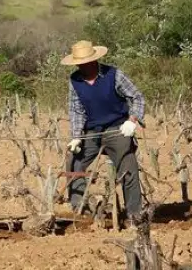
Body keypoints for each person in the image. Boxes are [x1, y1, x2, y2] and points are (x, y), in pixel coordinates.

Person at [62, 40, 146, 224]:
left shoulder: (113, 74)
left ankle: (134, 216)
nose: (83, 66)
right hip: (92, 130)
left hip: (117, 128)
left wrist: (132, 120)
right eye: (79, 63)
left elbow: (137, 97)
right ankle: (80, 209)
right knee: (75, 161)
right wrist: (76, 136)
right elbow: (76, 111)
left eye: (86, 62)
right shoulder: (75, 81)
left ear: (94, 60)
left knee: (128, 167)